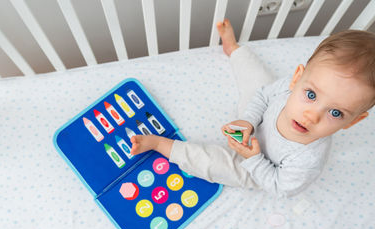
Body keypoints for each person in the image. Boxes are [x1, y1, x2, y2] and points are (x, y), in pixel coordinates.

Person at [130, 19, 375, 197]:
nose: (311, 115)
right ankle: (235, 51)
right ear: (297, 78)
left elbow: (279, 186)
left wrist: (253, 159)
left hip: (260, 166)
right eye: (310, 94)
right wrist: (248, 120)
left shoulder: (308, 159)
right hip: (257, 120)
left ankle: (162, 145)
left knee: (217, 164)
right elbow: (262, 95)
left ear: (353, 121)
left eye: (336, 113)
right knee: (257, 79)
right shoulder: (286, 91)